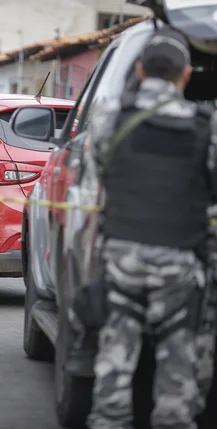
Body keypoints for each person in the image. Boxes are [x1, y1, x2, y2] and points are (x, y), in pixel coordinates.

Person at [85, 28, 217, 429]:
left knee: (113, 364)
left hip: (121, 259)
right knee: (179, 377)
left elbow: (95, 186)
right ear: (185, 76)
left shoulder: (109, 118)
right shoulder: (206, 127)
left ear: (139, 71)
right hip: (180, 265)